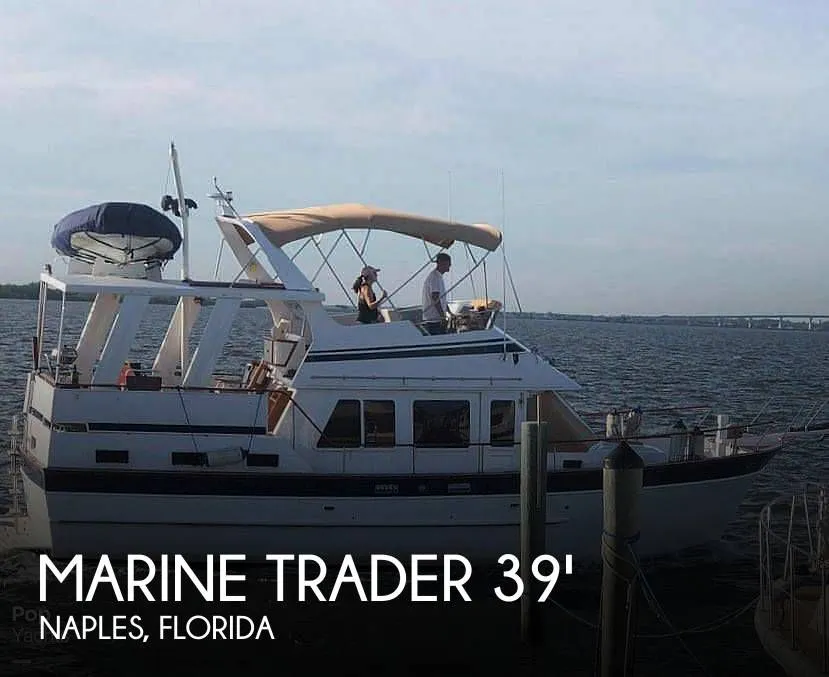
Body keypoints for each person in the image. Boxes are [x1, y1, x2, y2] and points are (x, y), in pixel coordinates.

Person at [421, 252, 453, 334]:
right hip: (434, 319)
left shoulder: (438, 276)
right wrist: (442, 316)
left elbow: (441, 299)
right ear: (442, 263)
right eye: (449, 263)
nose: (450, 265)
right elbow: (435, 298)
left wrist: (449, 312)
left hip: (437, 318)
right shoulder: (434, 277)